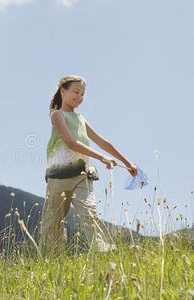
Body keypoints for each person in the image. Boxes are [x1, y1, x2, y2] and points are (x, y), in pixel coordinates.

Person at [40, 75, 138, 253]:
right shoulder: (57, 115)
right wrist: (102, 158)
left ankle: (104, 251)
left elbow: (102, 142)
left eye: (83, 94)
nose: (80, 97)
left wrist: (127, 162)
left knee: (89, 213)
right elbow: (71, 143)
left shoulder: (80, 119)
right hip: (58, 177)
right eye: (76, 92)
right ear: (63, 91)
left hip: (81, 175)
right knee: (52, 223)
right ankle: (49, 260)